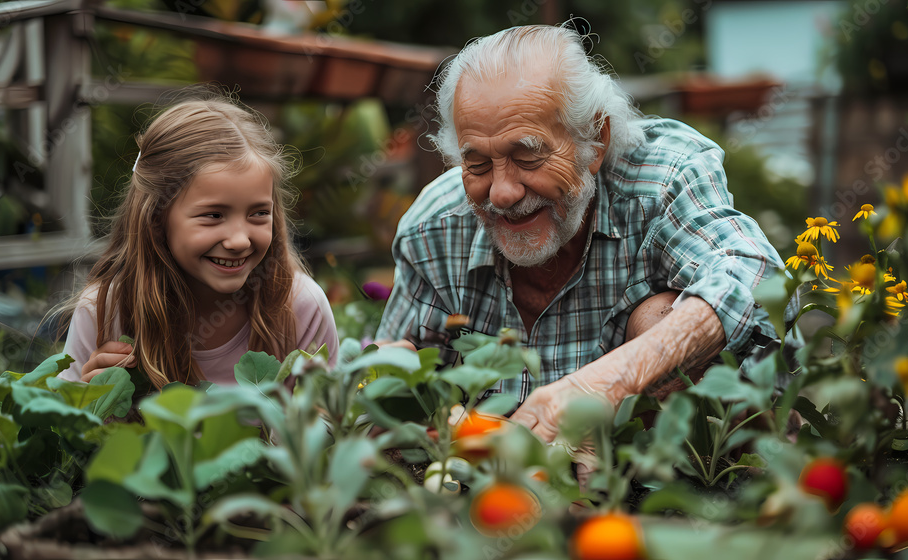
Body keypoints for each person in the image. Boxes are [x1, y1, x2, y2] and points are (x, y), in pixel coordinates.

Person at [375, 23, 797, 443]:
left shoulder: (660, 180)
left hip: (664, 478)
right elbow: (386, 383)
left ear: (594, 140)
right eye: (478, 164)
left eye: (528, 156)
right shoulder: (434, 228)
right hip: (493, 492)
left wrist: (614, 379)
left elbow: (758, 276)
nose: (501, 193)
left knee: (659, 316)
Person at [59, 89, 338, 387]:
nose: (239, 241)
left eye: (258, 214)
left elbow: (328, 423)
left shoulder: (300, 307)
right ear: (156, 217)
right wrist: (88, 404)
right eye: (214, 215)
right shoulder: (106, 313)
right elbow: (62, 428)